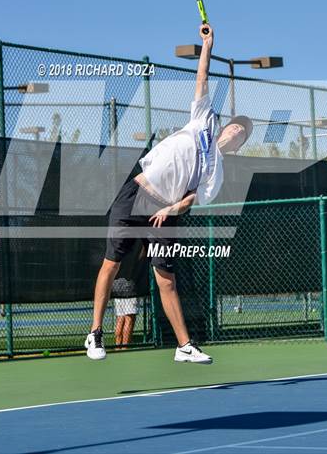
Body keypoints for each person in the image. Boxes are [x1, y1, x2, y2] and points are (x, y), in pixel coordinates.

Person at [85, 24, 253, 363]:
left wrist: (171, 209)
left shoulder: (216, 172)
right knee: (111, 265)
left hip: (163, 212)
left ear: (239, 145)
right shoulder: (203, 120)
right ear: (225, 127)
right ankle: (95, 334)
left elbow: (195, 199)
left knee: (167, 280)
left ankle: (184, 346)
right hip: (135, 195)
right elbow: (202, 77)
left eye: (242, 135)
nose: (236, 132)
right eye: (235, 126)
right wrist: (207, 45)